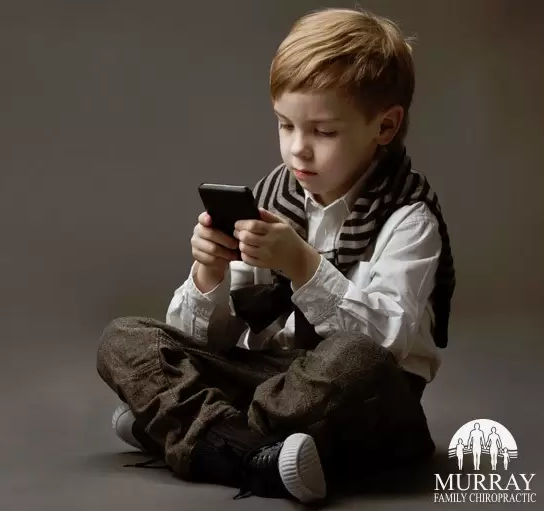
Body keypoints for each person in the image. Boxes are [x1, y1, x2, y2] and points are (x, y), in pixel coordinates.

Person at [97, 6, 456, 504]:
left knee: (352, 359)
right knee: (124, 339)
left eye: (323, 132)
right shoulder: (273, 202)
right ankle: (255, 455)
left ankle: (187, 430)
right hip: (272, 379)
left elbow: (386, 346)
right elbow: (213, 340)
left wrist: (304, 265)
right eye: (286, 126)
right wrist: (209, 272)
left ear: (386, 126)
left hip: (365, 398)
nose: (298, 150)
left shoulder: (407, 216)